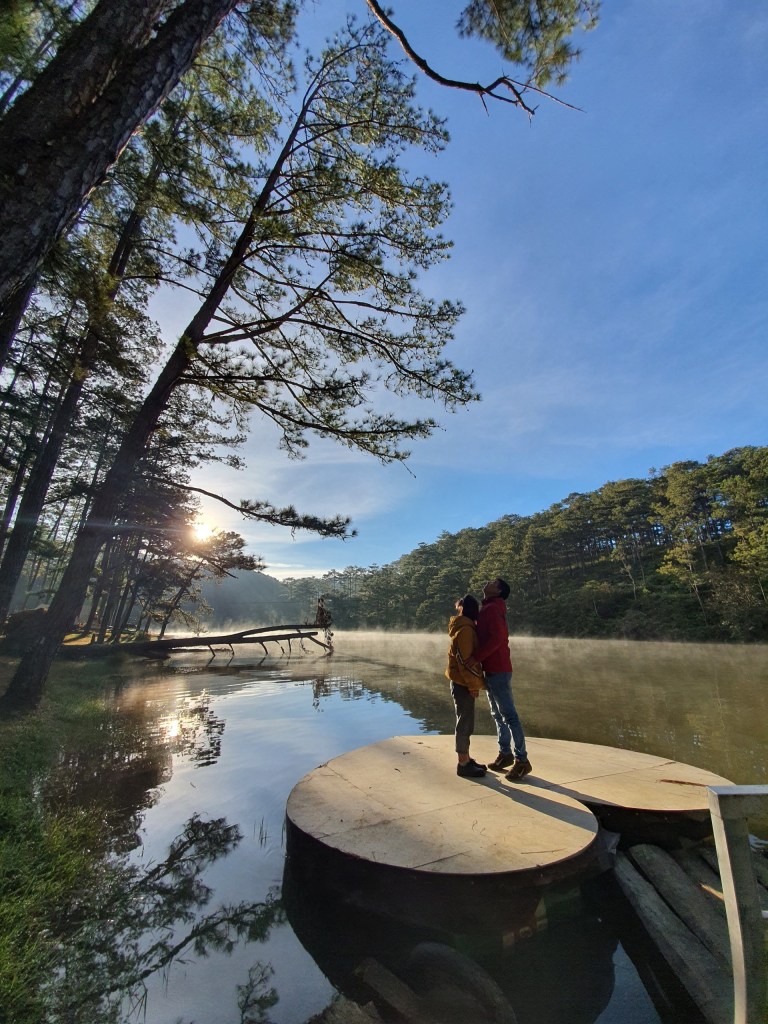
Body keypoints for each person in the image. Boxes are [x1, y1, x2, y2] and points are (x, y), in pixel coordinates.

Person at [466, 578, 532, 781]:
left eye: (494, 582)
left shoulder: (493, 609)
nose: (489, 582)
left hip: (499, 669)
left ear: (498, 591)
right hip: (492, 670)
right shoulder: (489, 608)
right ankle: (505, 754)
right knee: (497, 714)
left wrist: (476, 658)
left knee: (509, 715)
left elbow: (498, 638)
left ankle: (522, 760)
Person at [445, 594, 487, 778]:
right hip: (462, 683)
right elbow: (465, 661)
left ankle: (467, 759)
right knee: (464, 723)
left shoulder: (464, 627)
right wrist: (472, 685)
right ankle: (463, 763)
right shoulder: (466, 630)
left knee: (466, 721)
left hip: (460, 681)